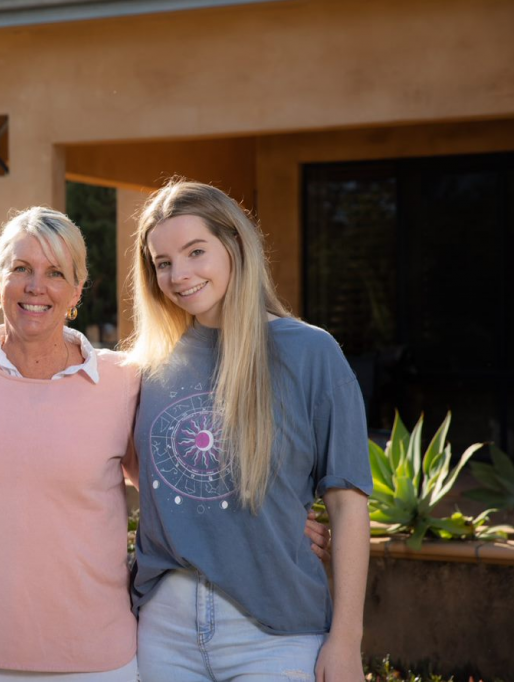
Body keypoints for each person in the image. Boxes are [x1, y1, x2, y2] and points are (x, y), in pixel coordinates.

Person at [0, 207, 332, 682]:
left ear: (76, 291)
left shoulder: (121, 380)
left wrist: (270, 520)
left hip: (94, 653)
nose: (36, 286)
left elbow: (175, 480)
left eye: (55, 273)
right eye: (21, 269)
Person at [127, 179, 372, 682]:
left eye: (196, 251)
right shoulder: (147, 368)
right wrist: (251, 513)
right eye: (163, 262)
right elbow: (138, 469)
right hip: (162, 629)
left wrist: (346, 640)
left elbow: (349, 503)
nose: (180, 274)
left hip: (278, 634)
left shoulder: (310, 353)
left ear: (234, 244)